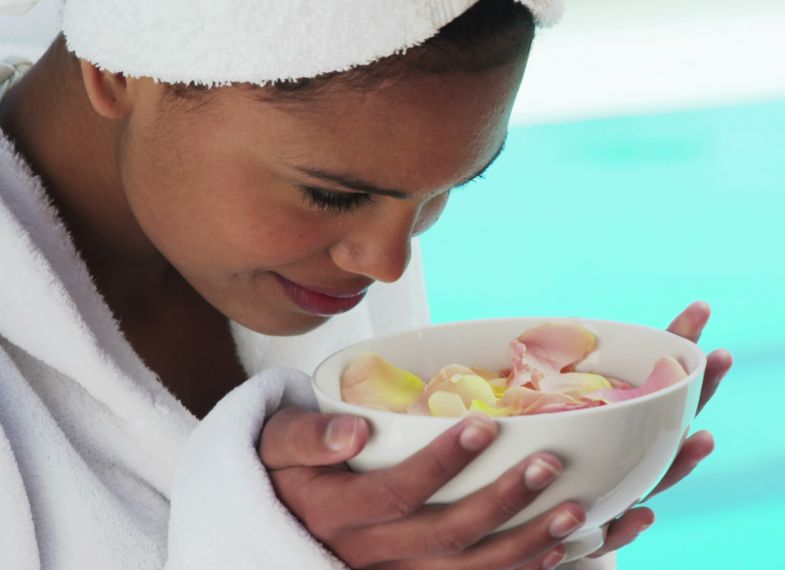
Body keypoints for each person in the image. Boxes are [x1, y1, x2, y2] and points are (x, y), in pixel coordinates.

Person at [0, 0, 733, 568]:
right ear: (120, 70)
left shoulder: (322, 256)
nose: (388, 263)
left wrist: (523, 517)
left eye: (446, 189)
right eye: (334, 196)